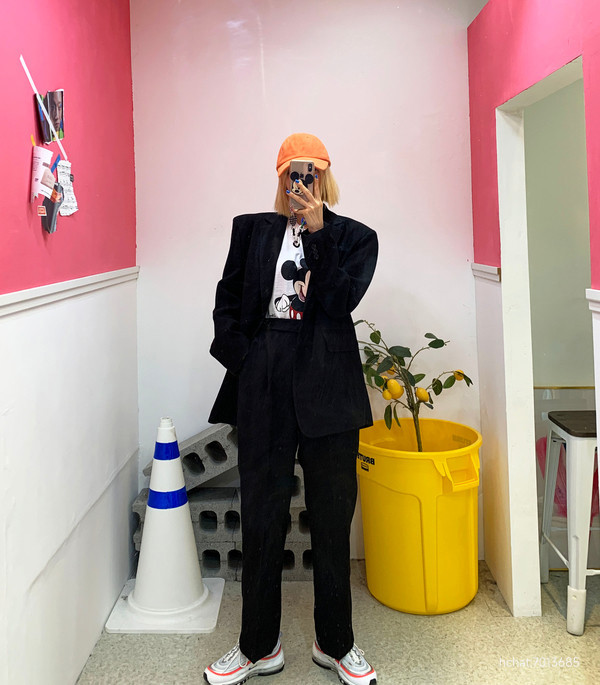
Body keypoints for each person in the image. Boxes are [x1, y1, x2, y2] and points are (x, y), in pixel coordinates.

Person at [205, 133, 378, 685]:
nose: (301, 182)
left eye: (311, 172)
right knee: (261, 515)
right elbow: (227, 302)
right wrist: (247, 359)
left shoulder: (356, 237)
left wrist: (320, 231)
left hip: (329, 381)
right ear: (281, 179)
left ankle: (336, 643)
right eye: (292, 174)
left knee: (332, 517)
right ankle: (258, 646)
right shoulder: (251, 230)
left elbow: (339, 301)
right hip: (265, 379)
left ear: (325, 177)